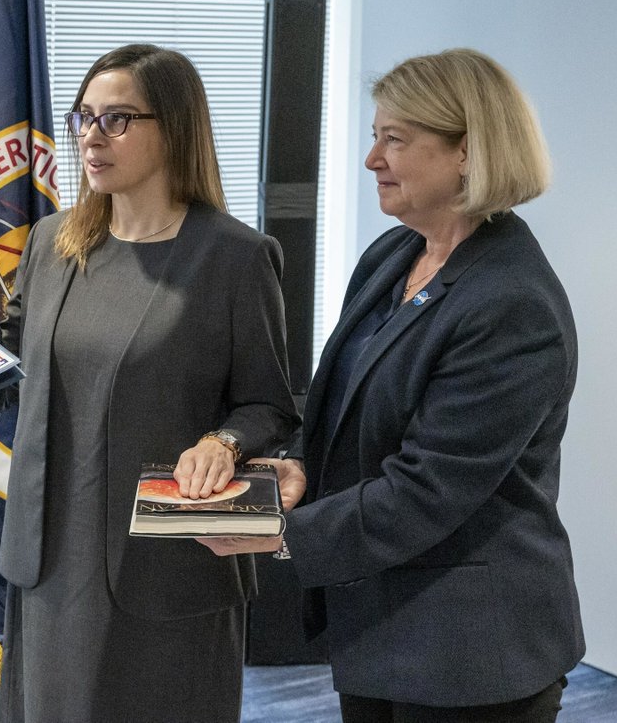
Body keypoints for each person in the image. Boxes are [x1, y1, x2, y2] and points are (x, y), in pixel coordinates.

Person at [203, 48, 585, 721]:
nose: (371, 159)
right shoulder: (394, 253)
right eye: (375, 136)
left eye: (395, 140)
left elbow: (428, 489)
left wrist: (278, 531)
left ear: (468, 151)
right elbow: (353, 414)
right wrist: (299, 471)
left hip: (471, 654)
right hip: (380, 626)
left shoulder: (509, 301)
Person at [0, 44, 300, 722]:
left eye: (118, 119)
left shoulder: (236, 257)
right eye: (84, 118)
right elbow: (9, 372)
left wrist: (224, 439)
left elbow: (270, 403)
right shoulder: (53, 243)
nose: (92, 137)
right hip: (51, 560)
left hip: (164, 562)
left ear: (176, 130)